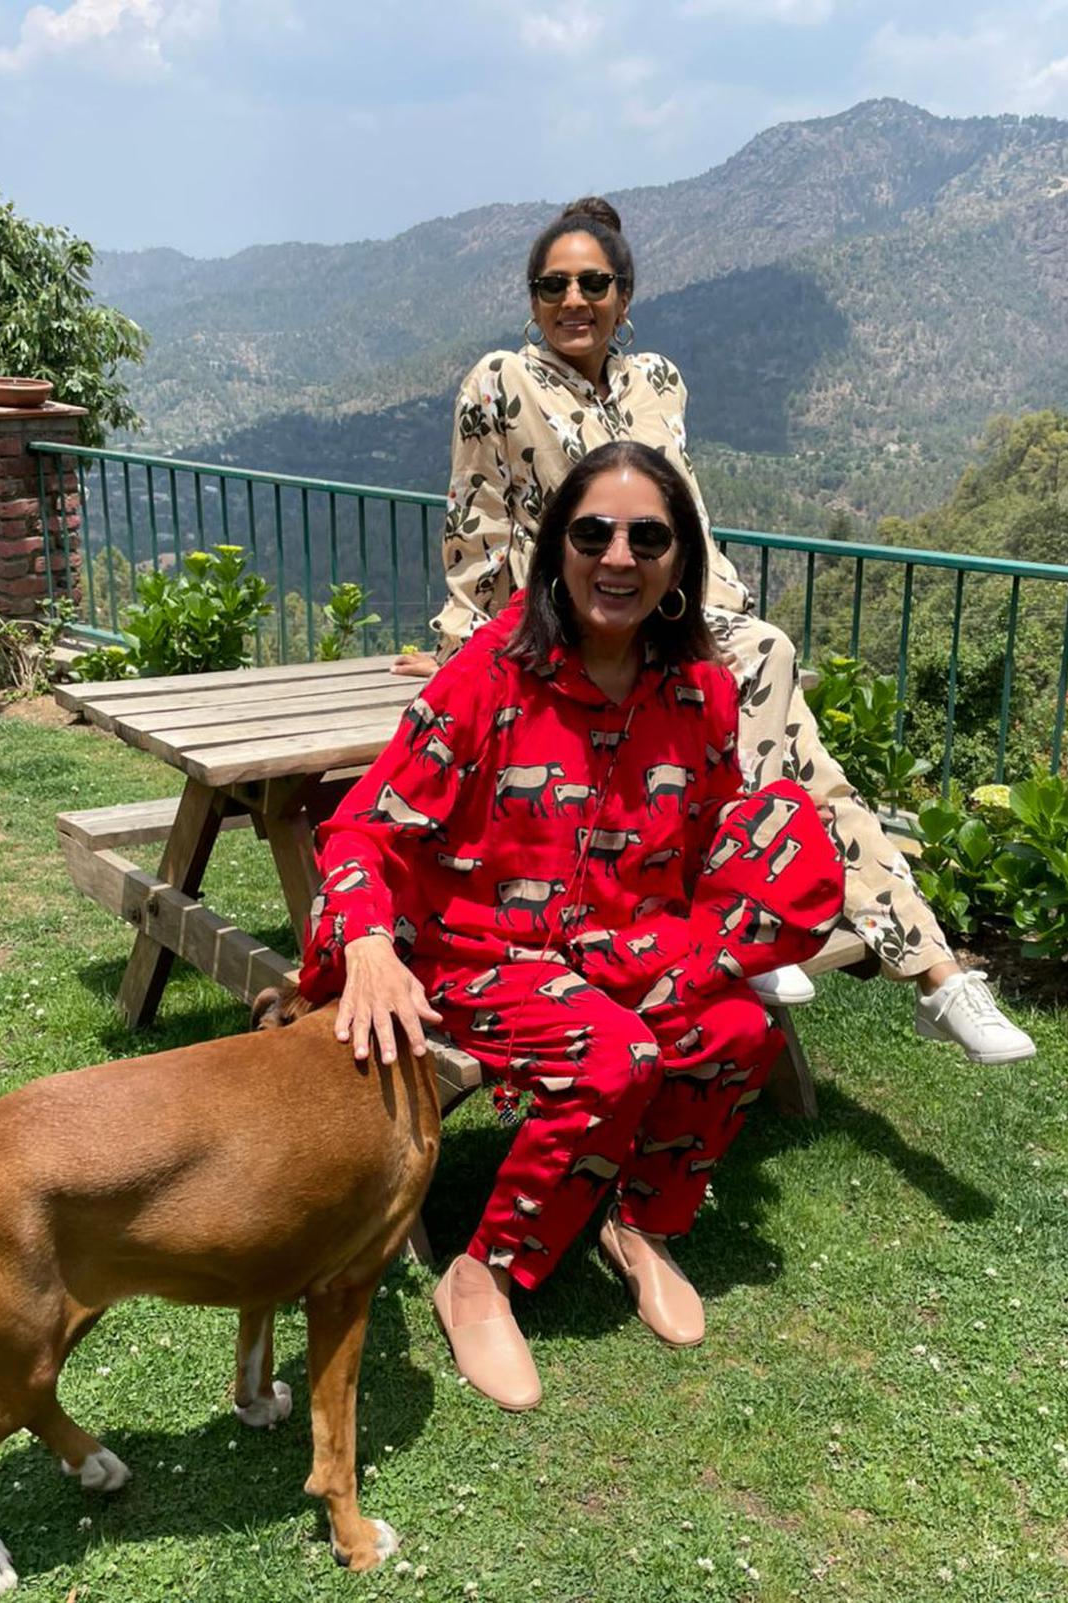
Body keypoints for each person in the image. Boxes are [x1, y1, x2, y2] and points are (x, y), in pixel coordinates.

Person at [391, 196, 1034, 1066]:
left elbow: (684, 506)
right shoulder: (502, 381)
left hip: (690, 607)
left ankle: (933, 969)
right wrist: (466, 639)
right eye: (552, 284)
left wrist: (704, 590)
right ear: (532, 296)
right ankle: (829, 930)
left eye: (593, 282)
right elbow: (478, 525)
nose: (572, 299)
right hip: (590, 615)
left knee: (812, 766)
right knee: (773, 666)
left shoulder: (657, 380)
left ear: (625, 293)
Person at [300, 442, 844, 1410]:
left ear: (682, 563)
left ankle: (638, 1222)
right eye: (593, 532)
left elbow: (718, 827)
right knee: (618, 1057)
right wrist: (369, 942)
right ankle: (483, 1272)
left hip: (628, 950)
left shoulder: (700, 694)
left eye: (649, 537)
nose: (619, 557)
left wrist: (762, 894)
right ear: (558, 549)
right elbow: (363, 823)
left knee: (741, 1031)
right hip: (483, 958)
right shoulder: (491, 675)